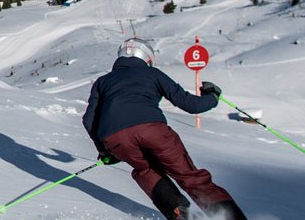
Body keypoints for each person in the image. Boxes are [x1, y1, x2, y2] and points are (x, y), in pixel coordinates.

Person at [82, 38, 247, 220]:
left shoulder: (102, 81)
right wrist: (212, 97)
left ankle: (181, 215)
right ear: (147, 58)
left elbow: (89, 120)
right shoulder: (152, 74)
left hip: (115, 139)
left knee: (145, 171)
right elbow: (190, 104)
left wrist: (105, 150)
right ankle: (229, 218)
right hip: (152, 130)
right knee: (189, 177)